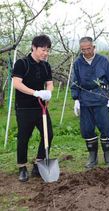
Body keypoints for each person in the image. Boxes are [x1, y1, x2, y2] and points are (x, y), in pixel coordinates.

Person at [71, 36, 109, 169]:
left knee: (106, 128)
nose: (86, 52)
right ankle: (92, 157)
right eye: (83, 50)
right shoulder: (78, 63)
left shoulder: (103, 61)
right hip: (85, 100)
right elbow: (75, 82)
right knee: (87, 129)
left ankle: (108, 156)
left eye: (88, 49)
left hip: (101, 98)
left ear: (93, 47)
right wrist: (76, 100)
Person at [12, 34, 53, 182]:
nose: (46, 53)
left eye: (48, 50)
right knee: (24, 137)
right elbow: (16, 83)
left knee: (48, 134)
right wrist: (35, 92)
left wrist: (48, 93)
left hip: (40, 107)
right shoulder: (22, 63)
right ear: (34, 47)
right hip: (24, 108)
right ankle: (22, 167)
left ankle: (38, 163)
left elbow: (49, 83)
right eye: (43, 50)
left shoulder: (46, 65)